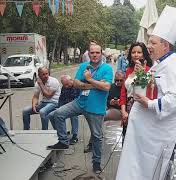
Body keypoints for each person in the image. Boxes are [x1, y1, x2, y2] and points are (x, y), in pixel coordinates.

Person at [116, 5, 176, 180]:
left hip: (162, 136)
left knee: (161, 173)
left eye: (153, 43)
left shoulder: (174, 65)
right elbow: (141, 84)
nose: (148, 46)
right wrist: (137, 76)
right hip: (150, 135)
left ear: (166, 45)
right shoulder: (159, 63)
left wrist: (149, 103)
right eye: (149, 42)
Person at [47, 44, 113, 174]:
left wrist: (88, 79)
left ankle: (96, 163)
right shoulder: (84, 66)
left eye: (97, 53)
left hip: (96, 107)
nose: (94, 55)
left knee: (97, 136)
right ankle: (63, 141)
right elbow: (76, 84)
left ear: (101, 54)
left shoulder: (107, 68)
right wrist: (93, 85)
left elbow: (106, 87)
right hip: (80, 102)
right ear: (89, 54)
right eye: (92, 52)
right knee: (57, 114)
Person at [119, 42, 153, 142]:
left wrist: (142, 73)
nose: (136, 55)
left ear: (144, 54)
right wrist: (123, 111)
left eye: (139, 52)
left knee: (139, 140)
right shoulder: (128, 70)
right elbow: (123, 92)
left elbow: (150, 91)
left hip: (142, 108)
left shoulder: (149, 71)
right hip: (128, 109)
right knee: (126, 140)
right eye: (133, 52)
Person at [49, 75, 80, 145]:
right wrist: (59, 108)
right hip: (66, 107)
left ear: (71, 80)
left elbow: (79, 99)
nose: (66, 86)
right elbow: (61, 99)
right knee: (51, 115)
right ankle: (62, 133)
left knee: (73, 115)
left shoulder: (78, 86)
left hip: (76, 106)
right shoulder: (64, 88)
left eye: (67, 84)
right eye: (64, 85)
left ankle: (74, 136)